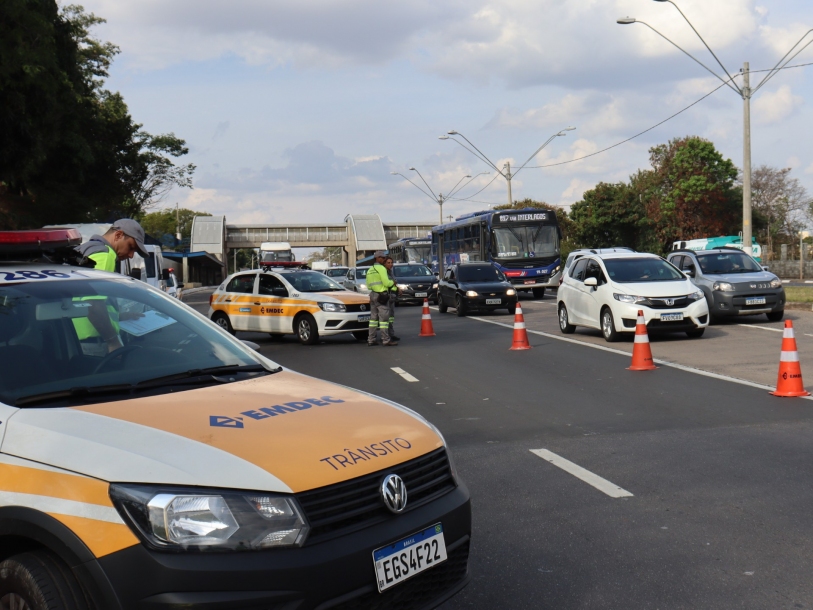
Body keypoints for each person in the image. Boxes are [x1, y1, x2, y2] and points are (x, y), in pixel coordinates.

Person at [73, 219, 149, 354]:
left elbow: (80, 299)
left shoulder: (87, 250)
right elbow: (92, 304)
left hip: (75, 341)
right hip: (94, 343)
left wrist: (120, 316)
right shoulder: (105, 254)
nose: (131, 255)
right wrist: (113, 341)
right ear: (118, 235)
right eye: (131, 247)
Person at [365, 251, 398, 346]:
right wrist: (393, 283)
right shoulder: (381, 269)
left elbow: (368, 285)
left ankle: (371, 339)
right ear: (378, 258)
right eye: (383, 258)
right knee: (384, 320)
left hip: (373, 295)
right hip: (382, 296)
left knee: (373, 319)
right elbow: (387, 283)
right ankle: (386, 340)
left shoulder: (370, 269)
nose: (384, 259)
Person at [384, 256, 400, 342]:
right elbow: (389, 283)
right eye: (388, 263)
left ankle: (391, 334)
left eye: (391, 263)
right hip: (386, 297)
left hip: (392, 297)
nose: (390, 264)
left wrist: (397, 288)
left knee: (391, 317)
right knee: (385, 317)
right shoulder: (384, 272)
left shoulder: (390, 272)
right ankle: (386, 336)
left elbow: (394, 283)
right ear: (384, 263)